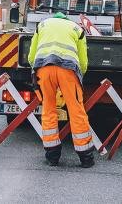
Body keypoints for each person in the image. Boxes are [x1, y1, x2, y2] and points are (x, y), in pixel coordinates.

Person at [28, 12, 95, 167]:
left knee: (48, 109)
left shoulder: (42, 25)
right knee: (76, 110)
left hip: (44, 69)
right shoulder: (77, 29)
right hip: (68, 70)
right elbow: (83, 61)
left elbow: (32, 57)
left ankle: (52, 156)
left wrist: (36, 70)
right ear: (66, 20)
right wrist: (80, 76)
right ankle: (86, 157)